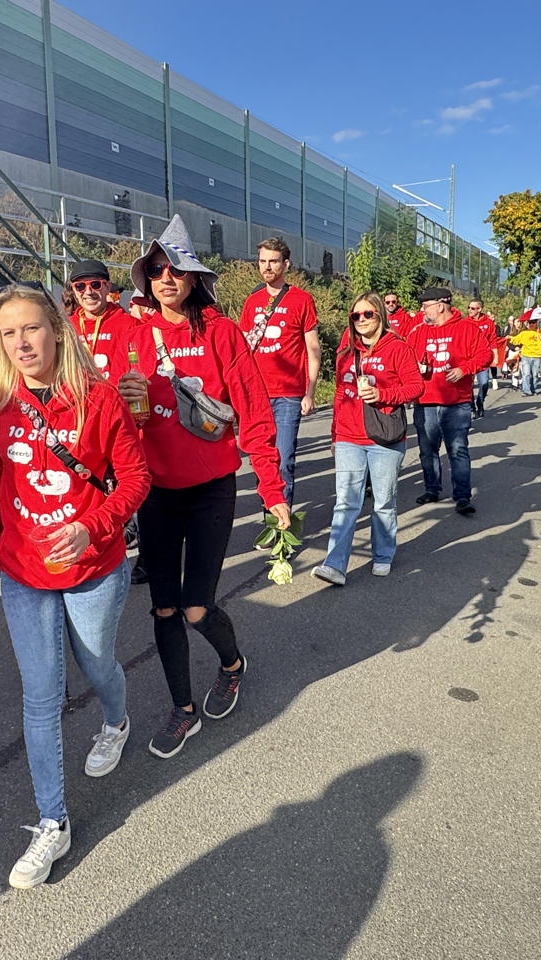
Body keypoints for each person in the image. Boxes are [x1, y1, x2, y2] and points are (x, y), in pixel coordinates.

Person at [0, 284, 149, 889]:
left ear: (56, 330)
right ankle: (53, 822)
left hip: (93, 564)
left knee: (97, 666)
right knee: (41, 694)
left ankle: (117, 722)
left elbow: (134, 480)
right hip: (23, 568)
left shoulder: (98, 401)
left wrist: (90, 525)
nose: (21, 343)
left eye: (31, 329)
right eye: (8, 333)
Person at [116, 215, 289, 759]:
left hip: (213, 489)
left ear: (193, 279)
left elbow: (256, 416)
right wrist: (128, 408)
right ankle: (182, 710)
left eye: (177, 270)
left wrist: (274, 492)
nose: (167, 279)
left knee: (197, 609)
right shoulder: (136, 338)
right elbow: (121, 425)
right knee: (163, 611)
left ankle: (233, 666)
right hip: (158, 494)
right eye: (157, 271)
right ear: (148, 279)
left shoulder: (221, 333)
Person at [311, 293, 423, 586]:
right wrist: (334, 434)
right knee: (346, 502)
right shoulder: (346, 351)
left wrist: (383, 395)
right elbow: (338, 393)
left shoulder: (397, 347)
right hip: (349, 436)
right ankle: (334, 565)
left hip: (385, 437)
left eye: (368, 314)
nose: (361, 319)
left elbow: (416, 386)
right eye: (356, 315)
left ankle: (384, 554)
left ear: (380, 316)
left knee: (383, 502)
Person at [66, 258, 148, 585]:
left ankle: (148, 553)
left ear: (107, 287)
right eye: (80, 286)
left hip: (119, 421)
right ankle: (96, 545)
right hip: (79, 425)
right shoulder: (66, 327)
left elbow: (138, 369)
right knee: (93, 489)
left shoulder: (126, 324)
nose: (88, 292)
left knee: (132, 486)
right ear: (73, 290)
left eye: (95, 285)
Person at [237, 237, 321, 507]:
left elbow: (313, 348)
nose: (267, 267)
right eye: (262, 261)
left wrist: (310, 391)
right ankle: (270, 518)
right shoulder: (252, 301)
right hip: (256, 395)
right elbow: (243, 347)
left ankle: (281, 525)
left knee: (284, 461)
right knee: (262, 462)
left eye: (273, 261)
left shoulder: (301, 299)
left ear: (286, 264)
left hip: (288, 395)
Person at [407, 286, 492, 514]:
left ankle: (462, 497)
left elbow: (486, 355)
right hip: (424, 401)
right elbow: (405, 359)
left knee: (457, 449)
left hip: (456, 402)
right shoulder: (418, 332)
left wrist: (464, 369)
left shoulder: (467, 329)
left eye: (426, 306)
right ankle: (432, 489)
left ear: (440, 306)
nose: (422, 310)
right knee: (427, 450)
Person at [465, 299, 498, 418]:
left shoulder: (488, 322)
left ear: (479, 309)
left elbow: (493, 340)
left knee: (484, 383)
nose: (470, 310)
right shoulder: (465, 322)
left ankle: (480, 401)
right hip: (468, 358)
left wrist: (495, 356)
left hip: (483, 357)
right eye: (469, 307)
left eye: (473, 308)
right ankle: (472, 407)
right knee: (468, 385)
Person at [508, 319, 541, 396]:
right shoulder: (524, 333)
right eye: (530, 322)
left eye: (533, 322)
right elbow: (516, 340)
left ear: (537, 323)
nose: (531, 324)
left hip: (537, 356)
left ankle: (533, 389)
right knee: (526, 373)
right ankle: (526, 391)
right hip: (526, 355)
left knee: (535, 374)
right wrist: (509, 338)